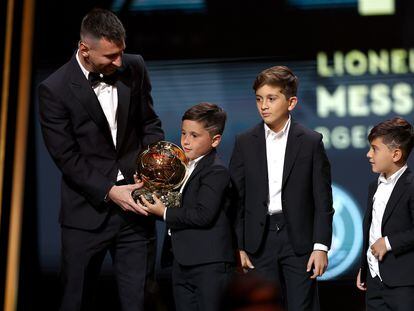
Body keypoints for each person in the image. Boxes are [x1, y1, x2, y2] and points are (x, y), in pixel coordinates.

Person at [38, 8, 164, 311]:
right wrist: (109, 190)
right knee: (76, 301)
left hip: (137, 210)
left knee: (141, 301)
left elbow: (149, 123)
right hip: (86, 216)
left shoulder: (135, 67)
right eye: (110, 56)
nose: (118, 62)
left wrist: (150, 167)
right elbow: (66, 157)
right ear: (84, 49)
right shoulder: (53, 90)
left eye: (121, 52)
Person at [229, 66, 334, 311]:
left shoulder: (310, 141)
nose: (263, 105)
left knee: (301, 306)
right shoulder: (244, 141)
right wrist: (239, 245)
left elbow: (322, 200)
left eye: (271, 98)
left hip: (298, 240)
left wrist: (320, 246)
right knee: (263, 304)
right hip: (259, 240)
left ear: (292, 102)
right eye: (259, 99)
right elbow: (237, 199)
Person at [138, 103, 235, 311]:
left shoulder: (216, 171)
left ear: (215, 140)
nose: (186, 141)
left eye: (194, 135)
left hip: (209, 264)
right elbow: (174, 206)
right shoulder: (181, 168)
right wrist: (147, 190)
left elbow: (203, 215)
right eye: (183, 133)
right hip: (182, 262)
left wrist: (163, 212)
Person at [356, 117, 414, 310]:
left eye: (375, 148)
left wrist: (388, 243)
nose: (368, 154)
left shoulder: (411, 186)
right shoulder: (374, 186)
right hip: (374, 280)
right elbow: (373, 228)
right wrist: (364, 267)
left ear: (395, 154)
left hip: (403, 283)